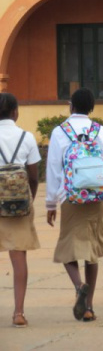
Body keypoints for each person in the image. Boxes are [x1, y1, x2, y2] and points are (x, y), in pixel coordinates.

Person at [46, 88, 103, 322]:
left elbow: (53, 169)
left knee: (67, 248)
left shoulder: (60, 133)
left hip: (70, 196)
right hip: (97, 196)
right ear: (91, 107)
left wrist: (51, 203)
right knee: (92, 251)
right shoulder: (102, 132)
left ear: (71, 106)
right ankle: (89, 307)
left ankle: (79, 286)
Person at [0, 93, 41, 328]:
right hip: (18, 205)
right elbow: (34, 176)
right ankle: (18, 312)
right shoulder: (26, 137)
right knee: (18, 258)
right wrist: (29, 200)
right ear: (15, 112)